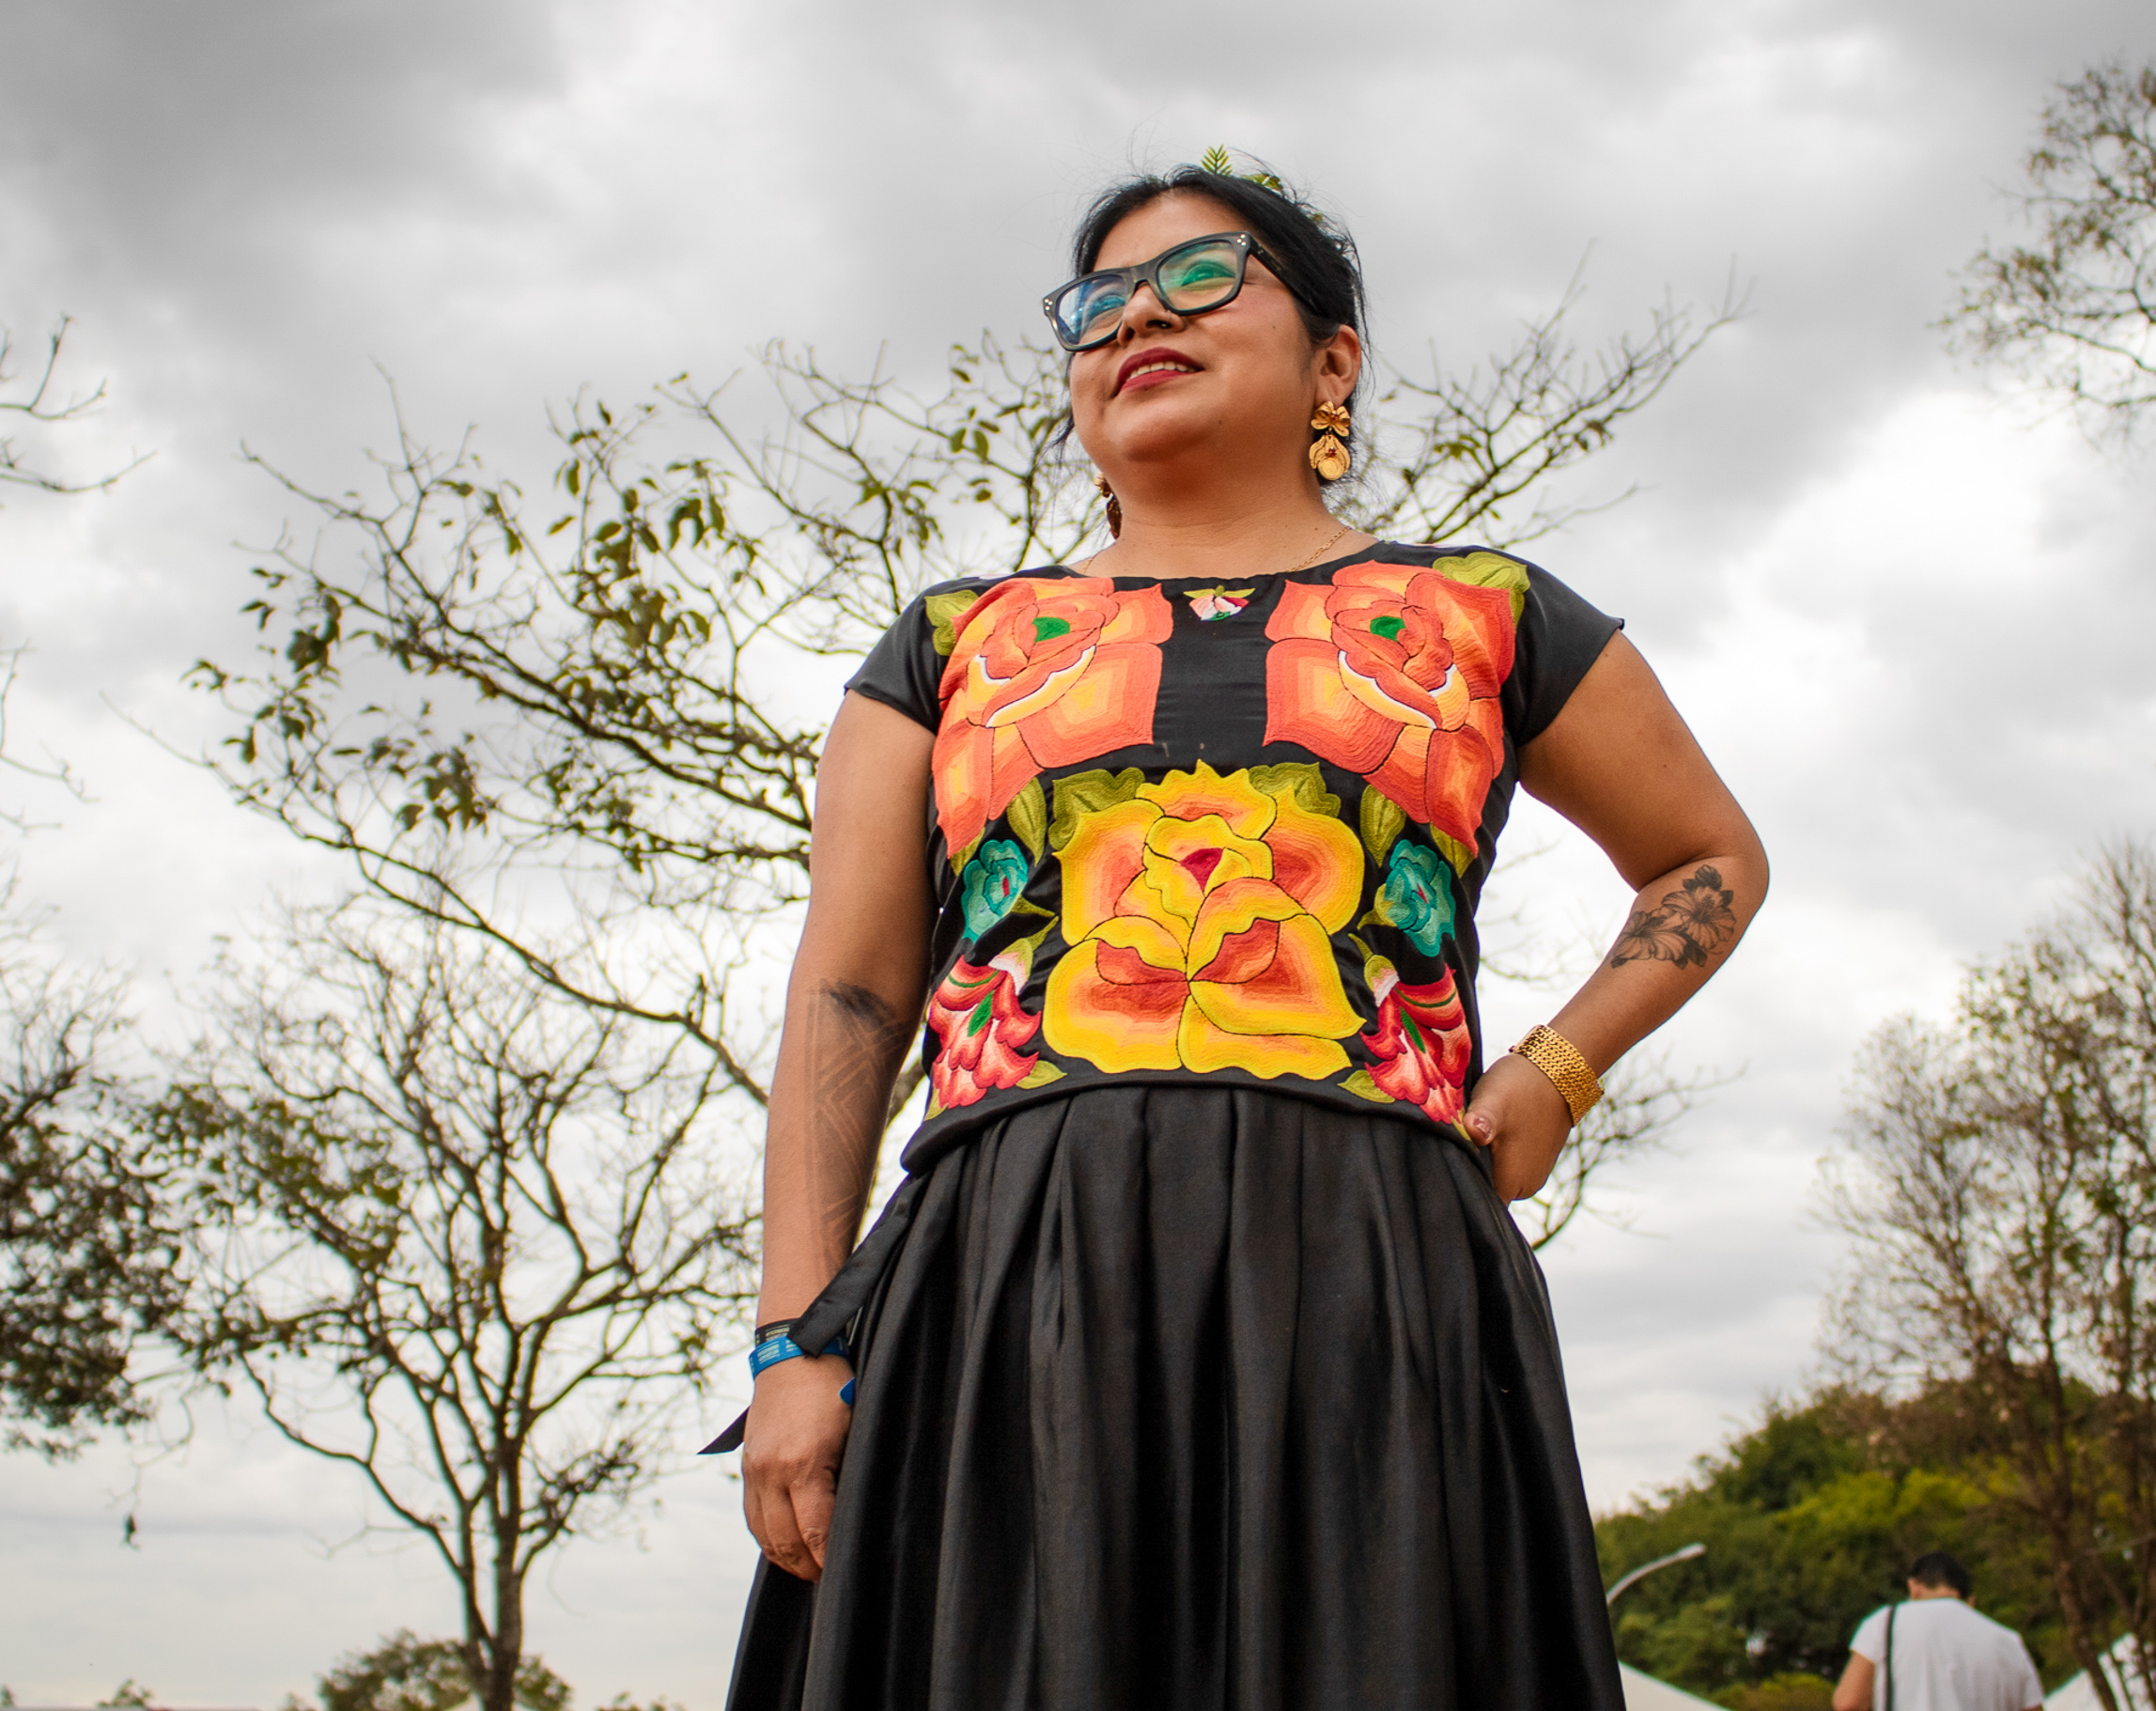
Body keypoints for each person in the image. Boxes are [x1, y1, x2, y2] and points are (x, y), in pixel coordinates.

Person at [720, 161, 1769, 1711]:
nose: (1139, 312)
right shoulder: (953, 645)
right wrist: (792, 1344)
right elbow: (853, 990)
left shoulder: (1480, 612)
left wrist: (1560, 1064)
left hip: (1372, 1272)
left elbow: (1712, 856)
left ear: (1334, 360)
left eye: (1206, 276)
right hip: (1013, 1280)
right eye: (1096, 303)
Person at [1832, 1553, 2043, 1711]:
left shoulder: (1885, 1621)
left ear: (1914, 1587)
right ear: (1970, 1602)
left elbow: (1849, 1702)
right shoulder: (2007, 1640)